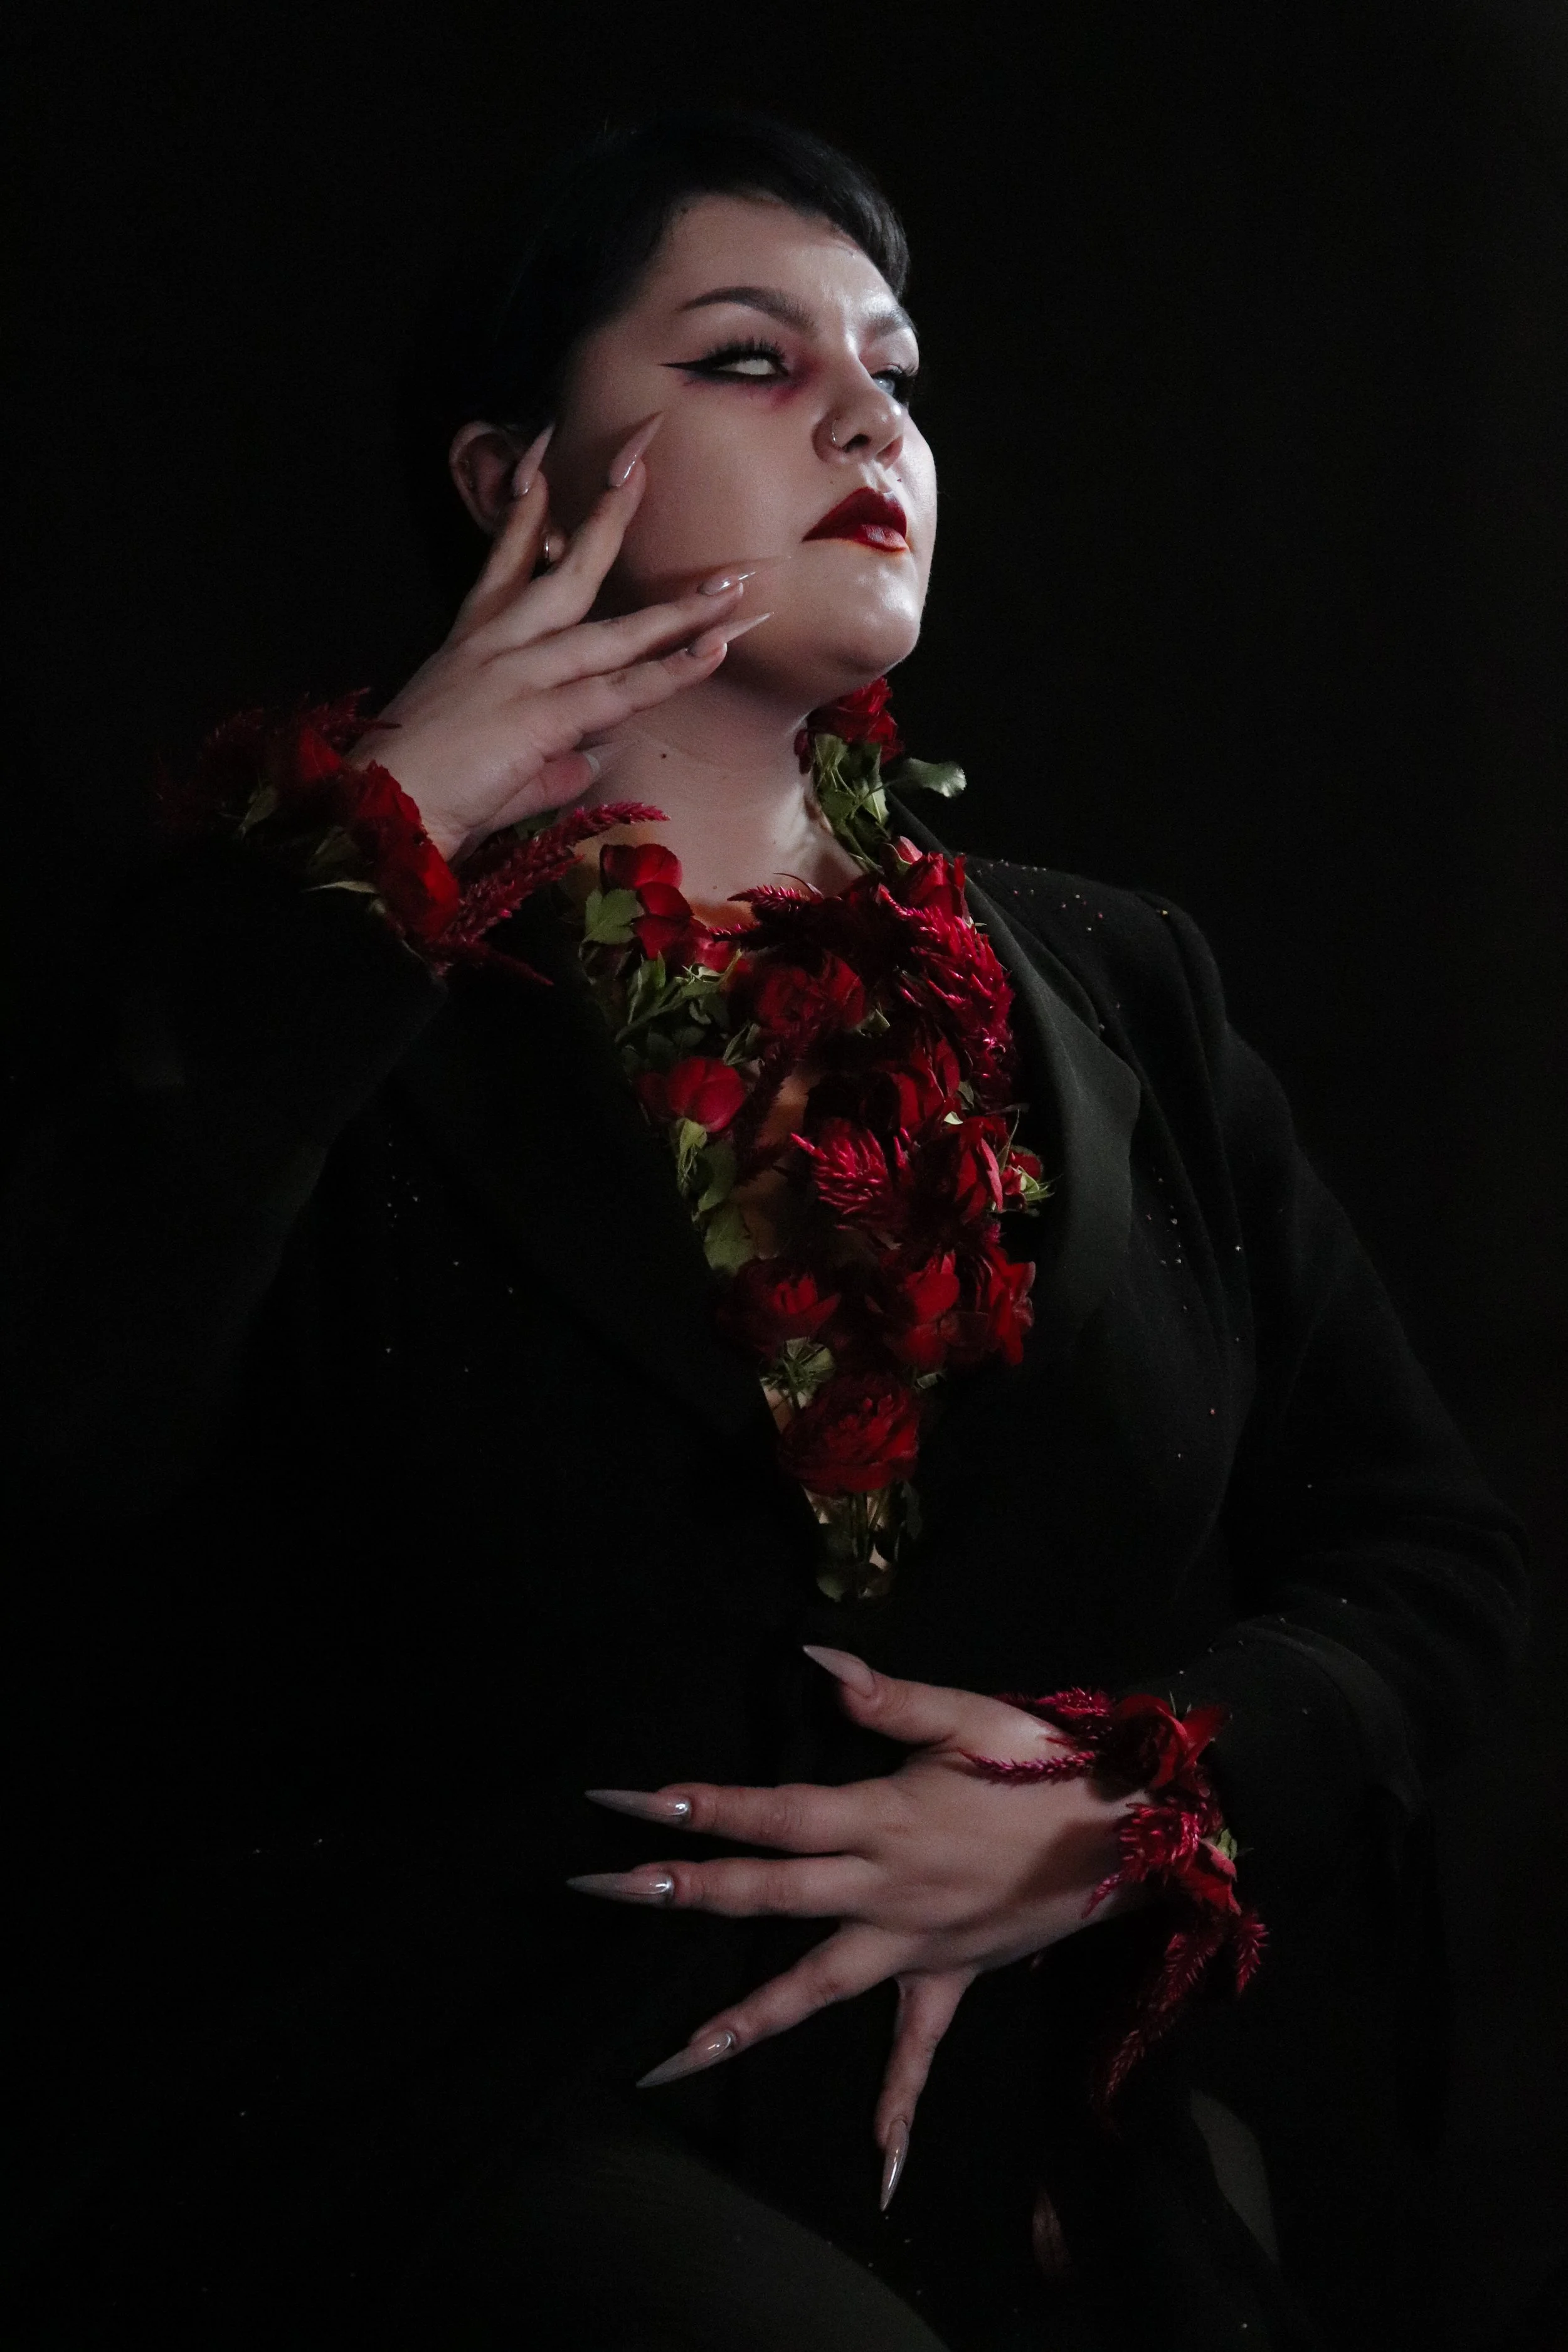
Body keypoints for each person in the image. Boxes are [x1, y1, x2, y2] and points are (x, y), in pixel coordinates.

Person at [6, 112, 1527, 2351]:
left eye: (891, 369)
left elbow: (1423, 1562)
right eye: (746, 356)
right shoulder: (269, 977)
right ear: (508, 474)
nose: (860, 416)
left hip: (1035, 2134)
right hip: (464, 2137)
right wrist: (372, 861)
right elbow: (55, 1444)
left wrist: (1123, 1808)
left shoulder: (1117, 987)